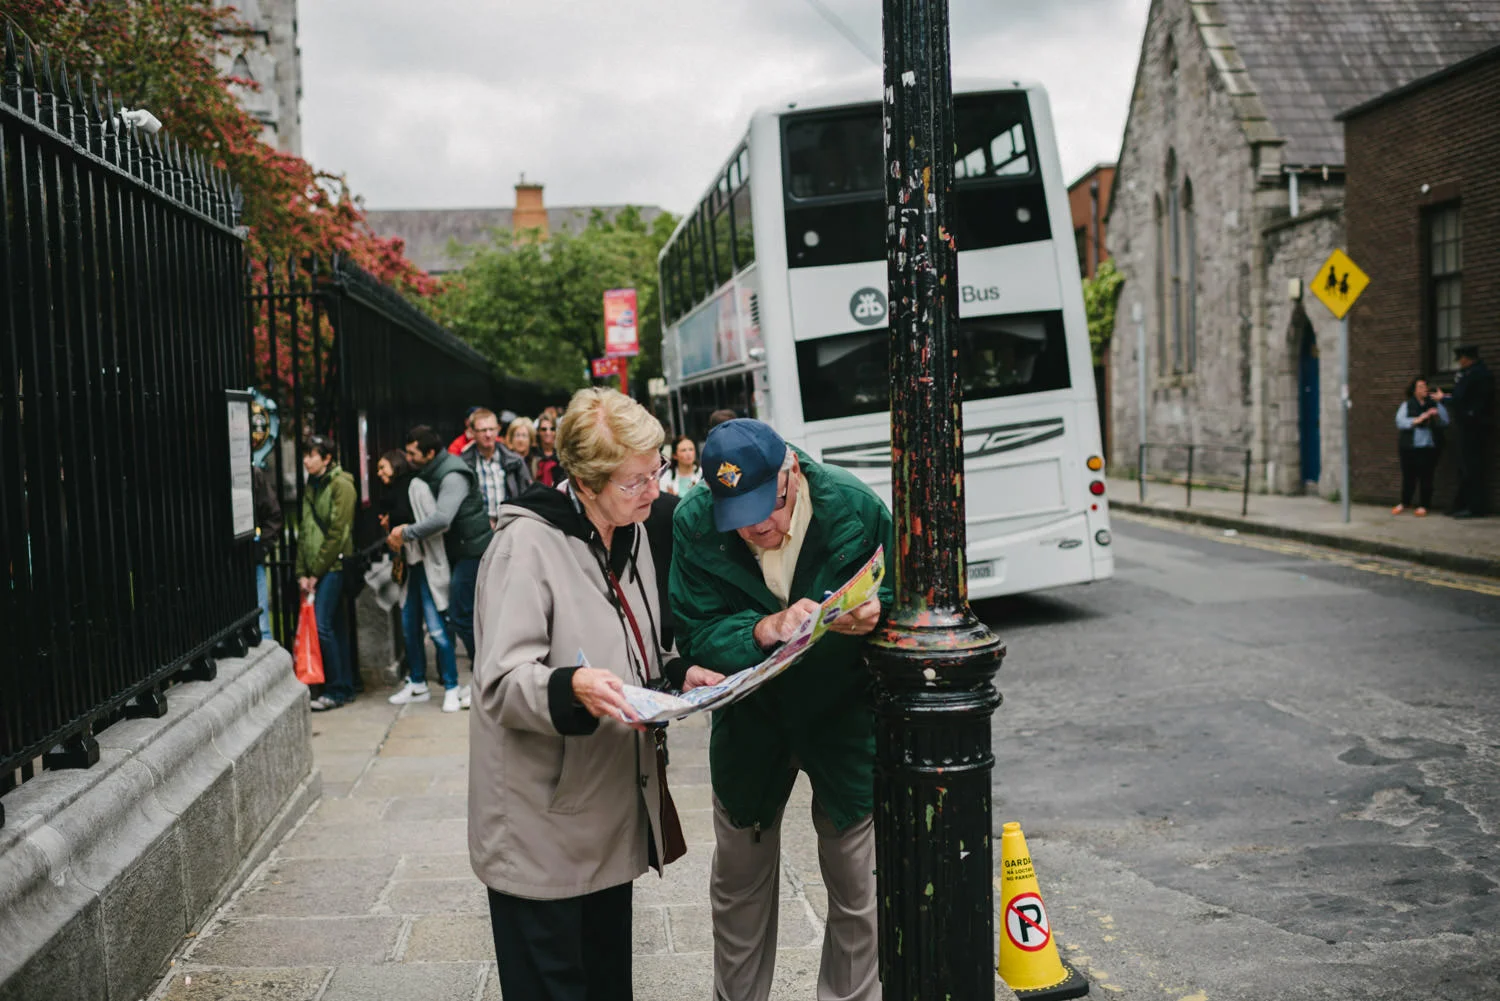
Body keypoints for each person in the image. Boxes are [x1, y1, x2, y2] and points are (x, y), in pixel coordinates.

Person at [469, 388, 720, 1000]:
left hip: (608, 810)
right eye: (634, 481)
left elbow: (634, 642)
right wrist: (572, 687)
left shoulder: (629, 533)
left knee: (608, 984)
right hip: (542, 824)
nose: (653, 491)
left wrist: (675, 673)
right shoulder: (523, 547)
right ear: (584, 481)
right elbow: (500, 683)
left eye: (655, 471)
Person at [669, 419, 892, 1001]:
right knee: (738, 882)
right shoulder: (693, 521)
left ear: (791, 470)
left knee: (858, 883)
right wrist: (763, 628)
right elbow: (694, 628)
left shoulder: (854, 507)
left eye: (767, 506)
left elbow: (908, 593)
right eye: (737, 515)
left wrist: (877, 615)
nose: (757, 526)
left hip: (843, 709)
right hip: (750, 715)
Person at [390, 425, 494, 713]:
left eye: (413, 453)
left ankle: (484, 680)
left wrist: (406, 533)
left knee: (461, 616)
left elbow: (442, 518)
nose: (408, 457)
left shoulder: (452, 474)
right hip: (459, 551)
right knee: (458, 616)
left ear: (430, 453)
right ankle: (477, 679)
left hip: (473, 552)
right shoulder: (433, 470)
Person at [377, 451, 461, 709]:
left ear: (396, 464)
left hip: (426, 565)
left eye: (383, 467)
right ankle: (417, 683)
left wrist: (405, 533)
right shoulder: (392, 496)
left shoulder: (417, 487)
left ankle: (451, 686)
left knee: (436, 628)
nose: (379, 473)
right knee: (408, 626)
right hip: (409, 567)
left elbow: (437, 523)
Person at [297, 436, 357, 712]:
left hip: (333, 567)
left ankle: (336, 689)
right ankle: (343, 683)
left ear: (327, 458)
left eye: (312, 455)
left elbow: (338, 532)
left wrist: (316, 572)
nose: (306, 461)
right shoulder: (312, 484)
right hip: (315, 570)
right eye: (305, 455)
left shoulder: (340, 484)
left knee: (323, 626)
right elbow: (305, 528)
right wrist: (302, 571)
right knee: (333, 626)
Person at [1440, 345, 1494, 518]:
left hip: (1473, 427)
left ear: (1466, 358)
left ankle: (1474, 506)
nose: (1459, 363)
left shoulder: (1477, 375)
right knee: (1465, 466)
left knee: (1472, 466)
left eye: (1461, 359)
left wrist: (1445, 399)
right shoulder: (1471, 374)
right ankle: (1461, 504)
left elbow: (1461, 398)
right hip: (1468, 426)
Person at [463, 408, 532, 530]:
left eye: (491, 429)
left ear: (498, 429)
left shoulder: (515, 461)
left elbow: (526, 497)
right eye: (483, 430)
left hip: (510, 527)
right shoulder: (464, 463)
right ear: (472, 432)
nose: (488, 435)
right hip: (478, 530)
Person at [1392, 377, 1449, 517]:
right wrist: (1419, 419)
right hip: (1410, 447)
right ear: (1414, 390)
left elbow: (1446, 421)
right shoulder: (1407, 405)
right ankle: (1405, 502)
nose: (1425, 389)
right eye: (1421, 386)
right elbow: (1400, 422)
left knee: (1426, 476)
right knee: (1408, 476)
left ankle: (1424, 505)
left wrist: (1437, 412)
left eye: (1426, 386)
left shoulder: (1433, 404)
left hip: (1428, 446)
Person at [251, 464, 283, 642]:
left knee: (262, 627)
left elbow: (273, 516)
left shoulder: (253, 474)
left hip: (252, 557)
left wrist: (261, 546)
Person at [532, 412, 563, 487]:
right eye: (544, 429)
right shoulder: (532, 454)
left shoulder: (562, 456)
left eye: (552, 429)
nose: (548, 432)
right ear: (538, 432)